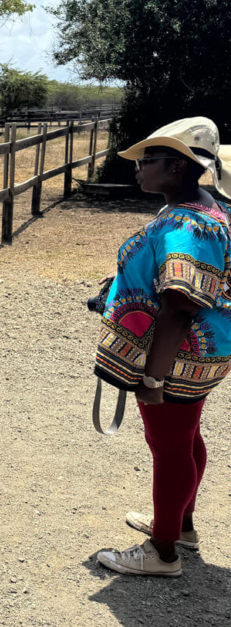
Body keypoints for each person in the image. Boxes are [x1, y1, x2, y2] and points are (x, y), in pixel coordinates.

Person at [95, 117, 231, 577]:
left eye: (148, 159)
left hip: (175, 356)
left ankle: (163, 550)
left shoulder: (184, 225)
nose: (138, 167)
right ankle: (180, 526)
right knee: (186, 437)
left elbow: (178, 306)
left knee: (168, 446)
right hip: (204, 354)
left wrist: (153, 375)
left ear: (176, 167)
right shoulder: (209, 209)